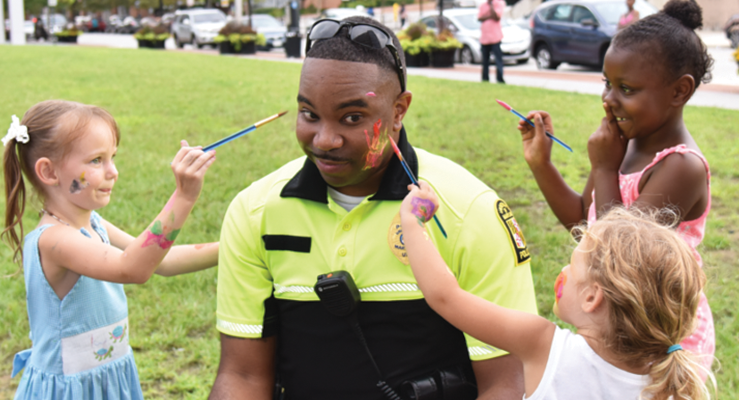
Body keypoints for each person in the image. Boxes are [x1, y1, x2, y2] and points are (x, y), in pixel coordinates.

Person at [210, 16, 538, 399]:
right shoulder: (255, 211)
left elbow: (508, 384)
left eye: (352, 118)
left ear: (399, 111)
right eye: (309, 114)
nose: (325, 139)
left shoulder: (470, 212)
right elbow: (243, 376)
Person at [517, 0, 715, 373]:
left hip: (660, 336)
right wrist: (540, 164)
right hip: (618, 324)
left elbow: (618, 253)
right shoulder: (622, 146)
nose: (609, 99)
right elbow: (582, 220)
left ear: (679, 91)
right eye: (607, 83)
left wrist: (606, 168)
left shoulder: (681, 167)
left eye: (626, 88)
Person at [400, 188, 715, 400]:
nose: (563, 271)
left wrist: (413, 222)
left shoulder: (543, 345)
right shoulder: (670, 386)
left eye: (572, 265)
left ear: (592, 297)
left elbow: (446, 297)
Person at [3, 100, 219, 400]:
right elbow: (132, 268)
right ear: (49, 172)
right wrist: (183, 197)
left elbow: (162, 262)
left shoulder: (93, 223)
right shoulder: (54, 240)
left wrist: (235, 246)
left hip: (108, 380)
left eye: (112, 157)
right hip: (71, 391)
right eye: (96, 160)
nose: (112, 171)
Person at [478, 0, 506, 83]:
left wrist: (491, 6)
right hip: (485, 38)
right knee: (485, 61)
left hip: (495, 38)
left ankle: (500, 79)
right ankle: (485, 79)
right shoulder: (483, 5)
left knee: (498, 60)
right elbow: (479, 18)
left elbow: (496, 17)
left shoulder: (499, 3)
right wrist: (489, 16)